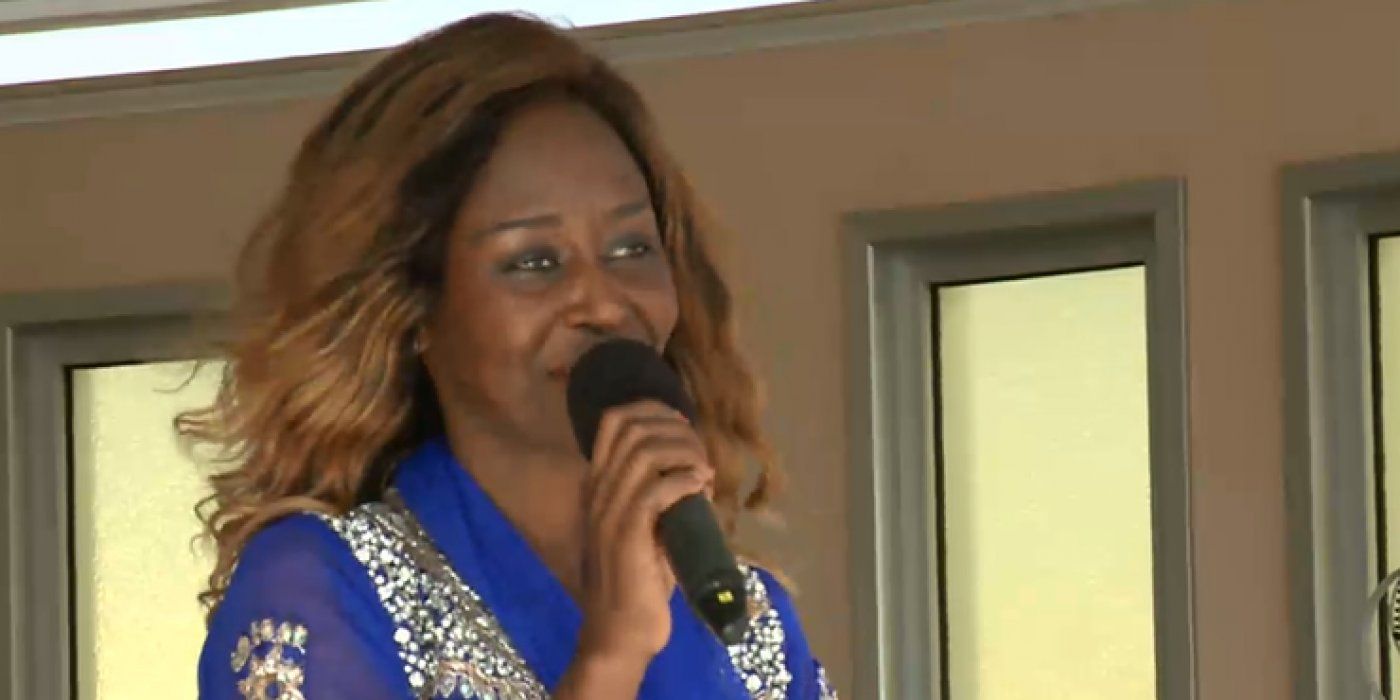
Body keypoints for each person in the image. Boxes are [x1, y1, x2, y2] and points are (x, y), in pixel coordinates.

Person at [185, 11, 837, 700]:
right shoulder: (315, 587)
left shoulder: (752, 626)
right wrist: (613, 653)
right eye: (534, 261)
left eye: (631, 248)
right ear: (412, 307)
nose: (604, 302)